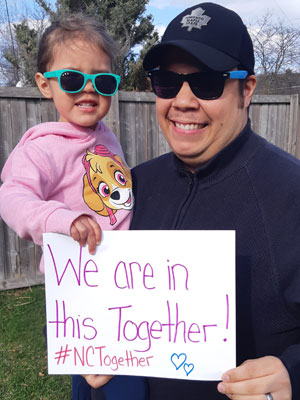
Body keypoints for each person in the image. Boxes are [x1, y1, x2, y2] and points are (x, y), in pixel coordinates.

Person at [131, 2, 300, 400]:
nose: (183, 101)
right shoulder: (132, 186)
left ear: (247, 89)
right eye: (166, 82)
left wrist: (294, 375)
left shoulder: (293, 195)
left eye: (207, 82)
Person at [0, 14, 146, 400]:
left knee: (113, 383)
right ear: (45, 85)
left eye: (103, 80)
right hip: (80, 291)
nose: (89, 89)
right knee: (107, 385)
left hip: (125, 286)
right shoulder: (40, 147)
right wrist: (62, 219)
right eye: (71, 79)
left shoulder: (105, 137)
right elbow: (12, 198)